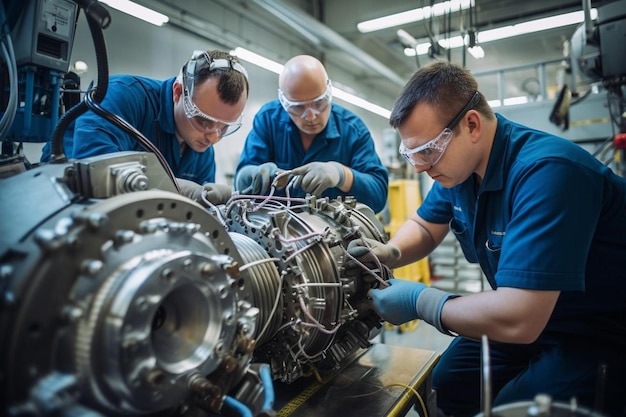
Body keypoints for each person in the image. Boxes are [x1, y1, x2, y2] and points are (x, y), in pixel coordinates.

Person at [348, 61, 626, 416]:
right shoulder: (459, 170)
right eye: (411, 154)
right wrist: (390, 250)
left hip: (595, 330)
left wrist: (423, 302)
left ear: (472, 125)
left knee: (516, 408)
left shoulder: (548, 172)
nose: (419, 166)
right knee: (450, 380)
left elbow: (520, 317)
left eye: (427, 151)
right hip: (535, 318)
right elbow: (425, 224)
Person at [40, 49, 249, 205]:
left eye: (224, 128)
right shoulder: (121, 97)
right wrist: (173, 188)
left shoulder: (202, 148)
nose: (213, 138)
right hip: (57, 203)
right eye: (203, 121)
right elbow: (96, 174)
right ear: (178, 93)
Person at [234, 55, 388, 213]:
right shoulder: (268, 120)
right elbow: (241, 183)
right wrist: (251, 175)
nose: (310, 116)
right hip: (274, 231)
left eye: (319, 103)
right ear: (284, 102)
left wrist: (341, 175)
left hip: (332, 234)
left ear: (329, 92)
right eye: (298, 107)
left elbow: (378, 196)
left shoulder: (353, 130)